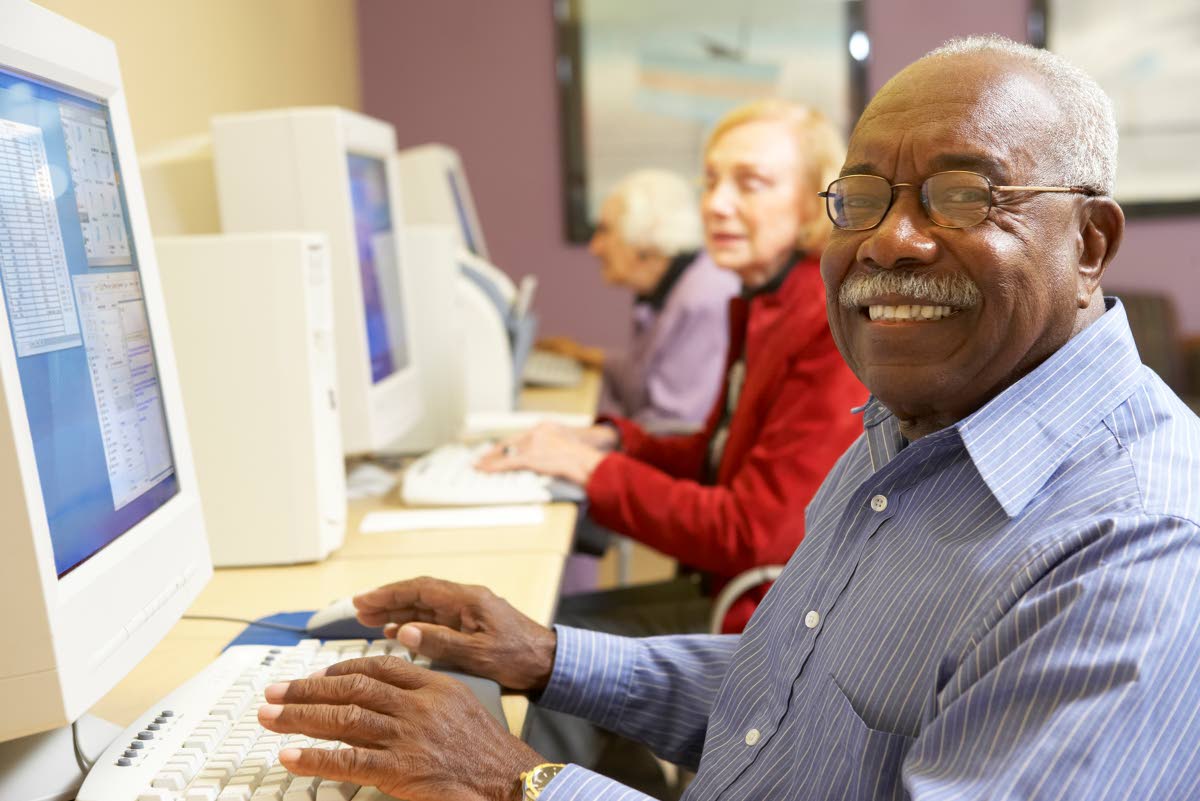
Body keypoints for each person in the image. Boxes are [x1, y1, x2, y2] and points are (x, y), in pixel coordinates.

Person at [256, 36, 1200, 800]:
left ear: (1090, 242)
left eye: (964, 195)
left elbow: (747, 531)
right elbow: (791, 700)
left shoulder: (1134, 551)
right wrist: (548, 656)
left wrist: (522, 780)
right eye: (863, 197)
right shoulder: (913, 424)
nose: (894, 239)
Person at [480, 100, 867, 638]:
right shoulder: (764, 301)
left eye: (750, 183)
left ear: (813, 204)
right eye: (710, 182)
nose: (717, 205)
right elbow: (716, 458)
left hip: (766, 633)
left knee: (519, 649)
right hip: (726, 594)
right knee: (516, 630)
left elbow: (752, 531)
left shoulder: (825, 323)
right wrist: (612, 444)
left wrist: (592, 471)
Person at [539, 169, 739, 431]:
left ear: (645, 240)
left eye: (604, 231)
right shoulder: (672, 289)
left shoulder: (703, 298)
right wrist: (586, 355)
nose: (595, 247)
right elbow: (646, 377)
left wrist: (587, 443)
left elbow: (675, 427)